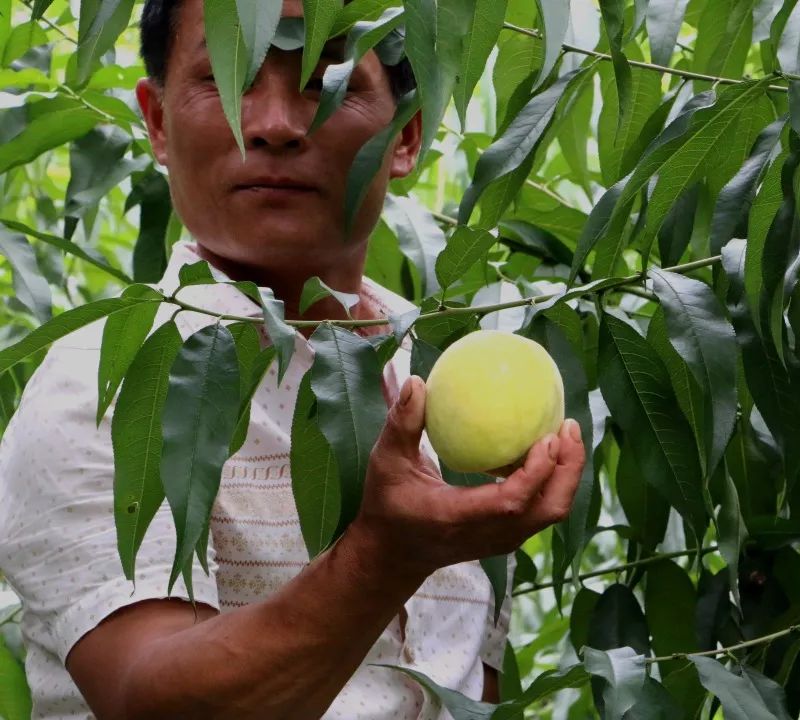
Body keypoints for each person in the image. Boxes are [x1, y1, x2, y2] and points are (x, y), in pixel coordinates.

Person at [0, 0, 586, 717]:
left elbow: (467, 690)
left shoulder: (442, 395)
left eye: (325, 76)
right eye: (228, 75)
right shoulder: (106, 383)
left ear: (406, 135)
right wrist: (386, 555)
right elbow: (153, 699)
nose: (275, 125)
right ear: (157, 122)